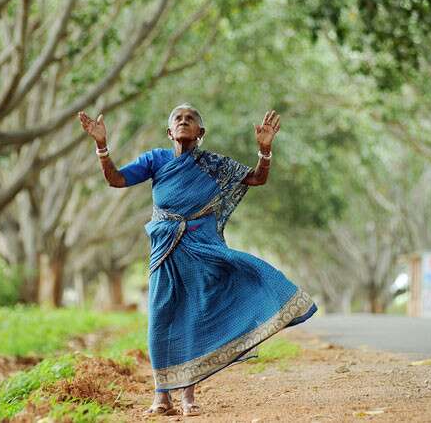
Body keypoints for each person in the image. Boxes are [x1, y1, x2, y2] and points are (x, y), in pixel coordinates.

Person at [77, 103, 318, 417]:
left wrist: (265, 150)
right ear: (169, 131)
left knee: (194, 314)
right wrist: (101, 145)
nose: (183, 121)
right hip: (165, 249)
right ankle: (161, 395)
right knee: (161, 318)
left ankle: (188, 395)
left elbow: (256, 179)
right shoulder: (156, 159)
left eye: (190, 119)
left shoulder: (214, 164)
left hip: (203, 248)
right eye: (177, 118)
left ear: (200, 133)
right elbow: (117, 180)